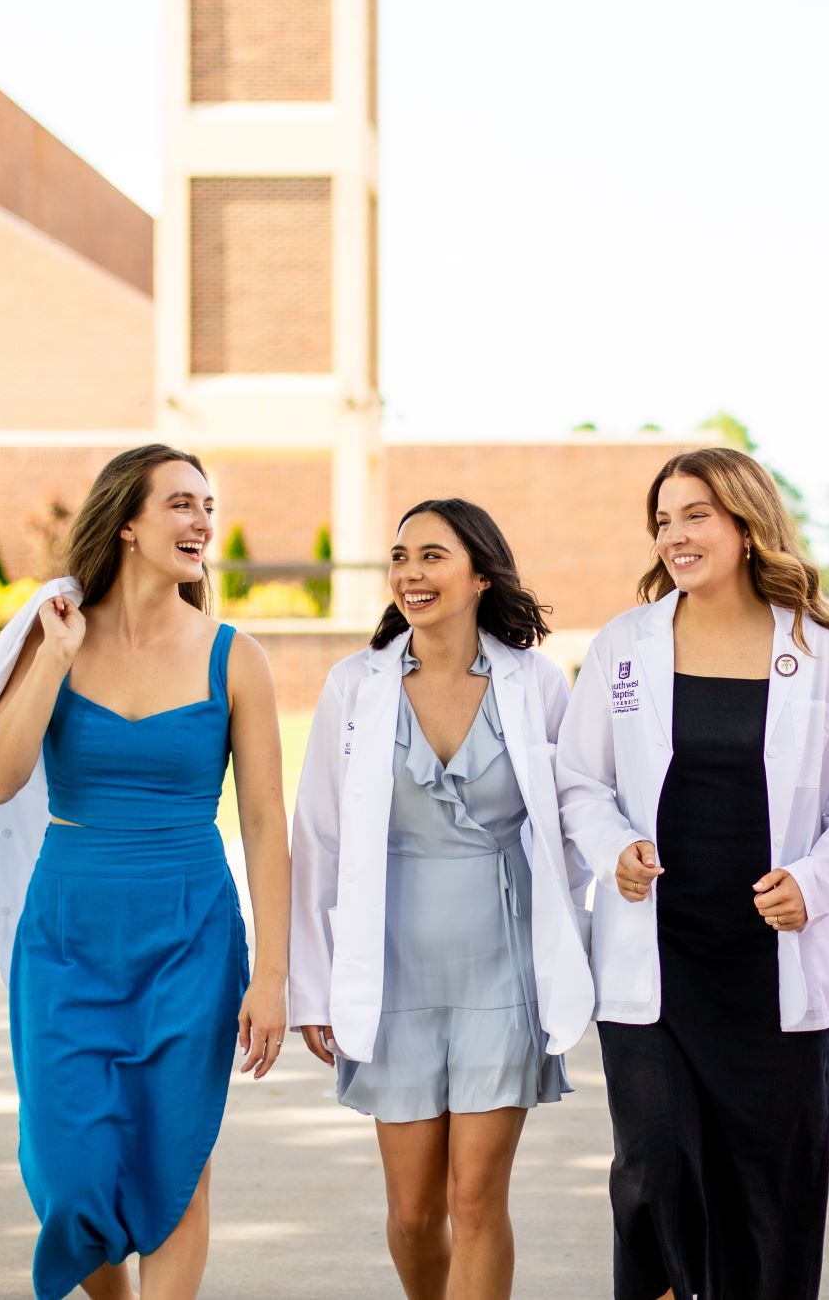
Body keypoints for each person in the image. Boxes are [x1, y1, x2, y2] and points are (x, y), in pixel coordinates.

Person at [557, 446, 829, 1300]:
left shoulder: (824, 653)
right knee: (655, 1174)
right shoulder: (624, 646)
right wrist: (614, 848)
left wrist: (814, 883)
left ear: (746, 525)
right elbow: (579, 779)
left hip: (769, 970)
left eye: (694, 514)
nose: (674, 534)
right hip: (657, 962)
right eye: (663, 519)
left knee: (768, 1194)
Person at [0, 444, 290, 1300]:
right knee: (73, 1171)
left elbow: (263, 823)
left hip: (189, 932)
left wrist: (273, 975)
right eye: (181, 503)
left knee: (173, 1157)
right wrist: (55, 657)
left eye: (207, 505)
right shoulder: (54, 634)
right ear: (130, 523)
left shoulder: (234, 656)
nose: (201, 521)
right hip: (68, 929)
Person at [288, 498, 593, 1300]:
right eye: (400, 558)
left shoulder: (535, 683)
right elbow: (316, 835)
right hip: (390, 968)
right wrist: (310, 983)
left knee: (475, 1199)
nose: (409, 574)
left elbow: (572, 822)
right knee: (416, 1211)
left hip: (504, 964)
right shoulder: (356, 685)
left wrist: (575, 938)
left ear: (480, 574)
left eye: (431, 555)